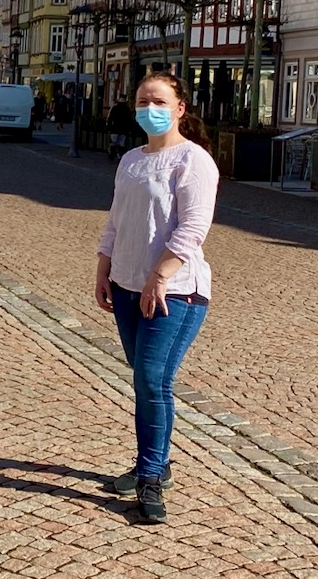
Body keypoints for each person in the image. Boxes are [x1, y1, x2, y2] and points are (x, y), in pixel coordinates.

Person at [95, 73, 218, 525]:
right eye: (143, 100)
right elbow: (115, 221)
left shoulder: (194, 161)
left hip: (176, 293)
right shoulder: (130, 159)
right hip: (127, 287)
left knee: (152, 380)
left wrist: (159, 277)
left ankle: (151, 475)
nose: (151, 107)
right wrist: (103, 270)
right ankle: (156, 461)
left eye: (160, 100)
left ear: (180, 108)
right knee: (144, 378)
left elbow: (192, 229)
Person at [107, 94, 135, 162]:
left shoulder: (115, 108)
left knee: (114, 143)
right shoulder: (127, 109)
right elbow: (130, 120)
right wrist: (130, 129)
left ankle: (112, 155)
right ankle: (119, 156)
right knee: (121, 144)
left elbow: (110, 118)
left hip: (115, 129)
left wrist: (109, 127)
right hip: (124, 130)